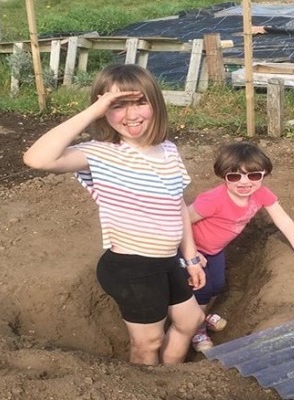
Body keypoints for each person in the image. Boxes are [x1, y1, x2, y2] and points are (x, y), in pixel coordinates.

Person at [23, 63, 207, 365]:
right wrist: (93, 112)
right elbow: (37, 158)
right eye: (117, 106)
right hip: (132, 267)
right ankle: (142, 389)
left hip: (166, 261)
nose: (131, 115)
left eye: (139, 102)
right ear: (102, 110)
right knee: (148, 341)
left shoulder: (168, 150)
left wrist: (191, 257)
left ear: (155, 104)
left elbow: (178, 206)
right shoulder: (99, 154)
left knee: (190, 321)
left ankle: (170, 380)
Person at [187, 141, 294, 352]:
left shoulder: (261, 194)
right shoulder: (212, 200)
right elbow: (180, 221)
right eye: (234, 176)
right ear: (223, 176)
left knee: (217, 285)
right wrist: (191, 252)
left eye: (253, 176)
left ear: (263, 174)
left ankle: (202, 316)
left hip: (215, 251)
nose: (245, 182)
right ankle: (197, 330)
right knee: (202, 289)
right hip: (193, 250)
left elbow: (283, 219)